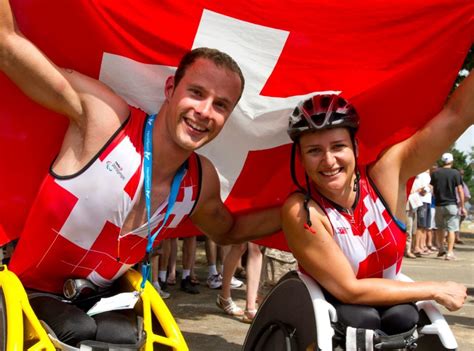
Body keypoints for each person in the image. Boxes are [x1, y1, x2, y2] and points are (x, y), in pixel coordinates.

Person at [0, 0, 280, 346]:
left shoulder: (199, 179)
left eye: (221, 105)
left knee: (138, 336)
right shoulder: (105, 121)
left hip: (99, 305)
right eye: (196, 93)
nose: (205, 112)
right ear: (170, 90)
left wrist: (298, 210)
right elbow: (7, 46)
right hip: (25, 295)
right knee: (79, 330)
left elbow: (229, 230)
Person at [282, 73, 472, 335]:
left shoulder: (386, 174)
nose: (328, 160)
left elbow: (456, 116)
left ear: (356, 149)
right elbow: (349, 289)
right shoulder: (303, 211)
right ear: (301, 160)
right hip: (333, 310)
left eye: (338, 146)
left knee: (404, 317)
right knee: (361, 321)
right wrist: (435, 288)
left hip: (387, 303)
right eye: (314, 151)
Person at [430, 152, 466, 260]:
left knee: (440, 228)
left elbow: (431, 188)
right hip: (451, 204)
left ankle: (441, 248)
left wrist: (435, 197)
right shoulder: (455, 173)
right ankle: (449, 252)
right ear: (451, 161)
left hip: (438, 204)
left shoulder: (435, 173)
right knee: (451, 229)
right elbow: (460, 190)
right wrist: (462, 206)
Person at [411, 170, 433, 256]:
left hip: (427, 201)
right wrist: (427, 188)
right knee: (420, 226)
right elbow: (421, 191)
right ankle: (416, 246)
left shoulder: (426, 175)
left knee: (424, 226)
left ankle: (421, 245)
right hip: (421, 201)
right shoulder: (420, 174)